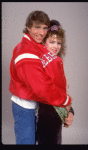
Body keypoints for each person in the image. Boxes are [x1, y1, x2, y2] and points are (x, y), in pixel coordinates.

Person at [9, 11, 72, 145]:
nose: (41, 32)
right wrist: (66, 101)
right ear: (28, 27)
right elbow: (42, 87)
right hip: (25, 105)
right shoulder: (26, 52)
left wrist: (69, 109)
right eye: (37, 27)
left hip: (38, 105)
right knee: (27, 142)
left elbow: (55, 83)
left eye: (44, 28)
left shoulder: (38, 47)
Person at [37, 20, 74, 144]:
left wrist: (70, 111)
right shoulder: (41, 62)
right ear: (43, 42)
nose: (56, 46)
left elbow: (61, 90)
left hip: (56, 114)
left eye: (59, 43)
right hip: (46, 113)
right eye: (52, 42)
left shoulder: (56, 62)